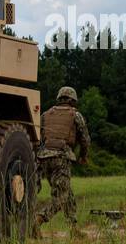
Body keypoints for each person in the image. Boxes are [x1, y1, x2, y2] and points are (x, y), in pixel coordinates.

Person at [34, 86, 91, 235]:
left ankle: (73, 228)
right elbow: (85, 139)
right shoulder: (75, 115)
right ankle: (38, 220)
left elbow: (38, 138)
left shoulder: (46, 115)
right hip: (61, 158)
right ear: (72, 100)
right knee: (61, 196)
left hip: (44, 158)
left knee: (67, 193)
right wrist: (84, 156)